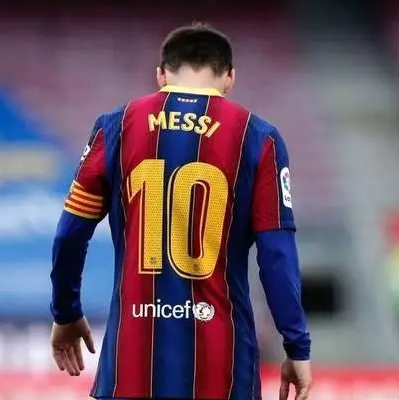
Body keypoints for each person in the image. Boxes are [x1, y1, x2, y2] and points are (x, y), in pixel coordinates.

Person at [49, 22, 312, 400]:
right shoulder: (258, 137)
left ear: (161, 74)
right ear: (230, 79)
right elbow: (277, 256)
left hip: (131, 363)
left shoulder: (115, 127)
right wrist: (296, 345)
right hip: (224, 366)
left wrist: (66, 311)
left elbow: (69, 234)